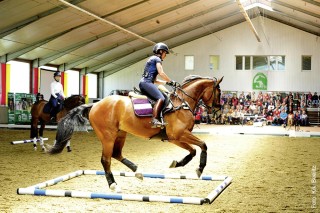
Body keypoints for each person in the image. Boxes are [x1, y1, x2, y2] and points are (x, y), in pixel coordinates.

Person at [139, 42, 178, 128]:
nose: (165, 55)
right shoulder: (157, 59)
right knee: (161, 98)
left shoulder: (152, 59)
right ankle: (154, 120)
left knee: (160, 97)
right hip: (147, 83)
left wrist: (166, 83)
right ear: (161, 51)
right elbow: (161, 73)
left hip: (145, 83)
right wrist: (171, 81)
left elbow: (155, 80)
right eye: (165, 53)